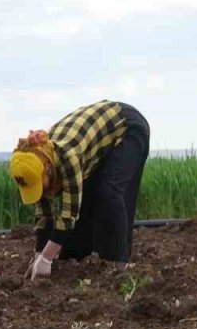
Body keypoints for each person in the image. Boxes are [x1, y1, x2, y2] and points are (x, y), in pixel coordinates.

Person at [8, 100, 150, 280]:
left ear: (49, 170)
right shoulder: (37, 160)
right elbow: (45, 214)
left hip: (127, 127)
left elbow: (68, 215)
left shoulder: (68, 157)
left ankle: (118, 266)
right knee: (86, 203)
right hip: (96, 142)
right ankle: (80, 259)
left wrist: (47, 257)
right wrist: (38, 253)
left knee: (109, 194)